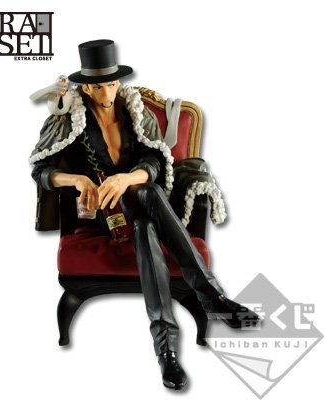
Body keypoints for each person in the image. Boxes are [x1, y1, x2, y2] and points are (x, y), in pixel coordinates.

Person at [30, 39, 260, 390]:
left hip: (144, 201)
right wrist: (76, 179)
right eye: (99, 86)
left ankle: (167, 352)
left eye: (112, 83)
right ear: (87, 87)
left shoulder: (137, 114)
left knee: (145, 216)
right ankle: (211, 297)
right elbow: (41, 169)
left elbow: (155, 162)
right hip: (103, 215)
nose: (108, 92)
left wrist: (126, 178)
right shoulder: (68, 121)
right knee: (147, 211)